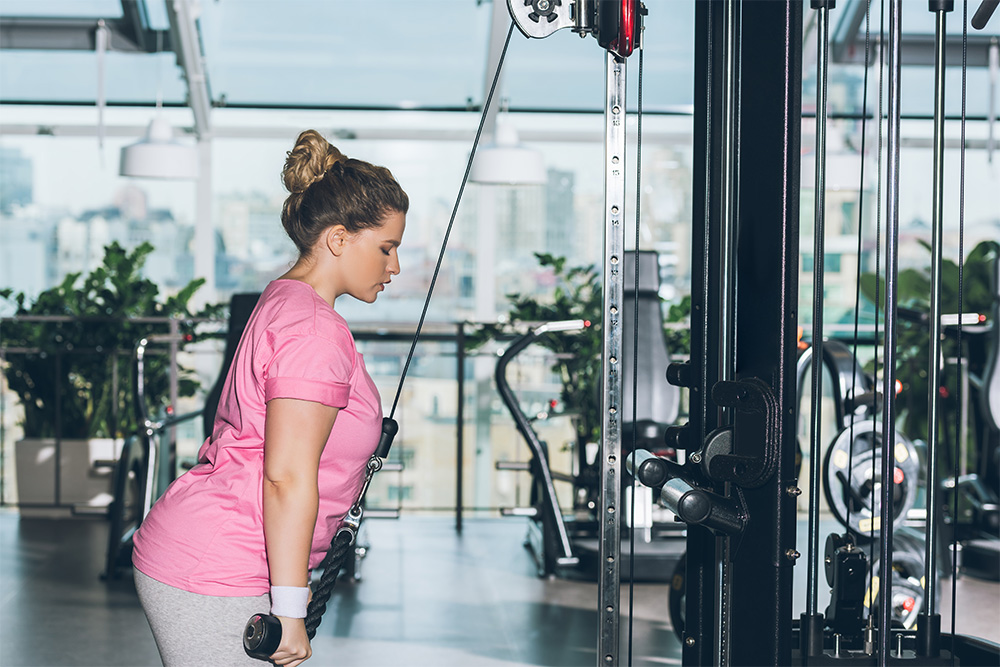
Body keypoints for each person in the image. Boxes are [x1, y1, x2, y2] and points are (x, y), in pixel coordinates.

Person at [131, 129, 408, 667]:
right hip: (220, 567)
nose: (393, 267)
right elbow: (286, 476)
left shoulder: (287, 298)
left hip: (217, 556)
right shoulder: (313, 330)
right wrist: (290, 610)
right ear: (338, 239)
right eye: (386, 248)